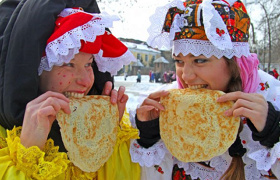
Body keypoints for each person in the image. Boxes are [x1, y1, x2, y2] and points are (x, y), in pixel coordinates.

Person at [129, 0, 280, 179]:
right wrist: (149, 136)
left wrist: (273, 131)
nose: (186, 76)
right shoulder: (164, 107)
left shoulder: (272, 97)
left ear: (235, 62)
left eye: (200, 60)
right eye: (179, 61)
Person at [0, 2, 140, 179]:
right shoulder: (5, 142)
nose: (86, 81)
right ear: (33, 71)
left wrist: (106, 137)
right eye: (69, 64)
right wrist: (28, 155)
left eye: (89, 64)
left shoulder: (109, 120)